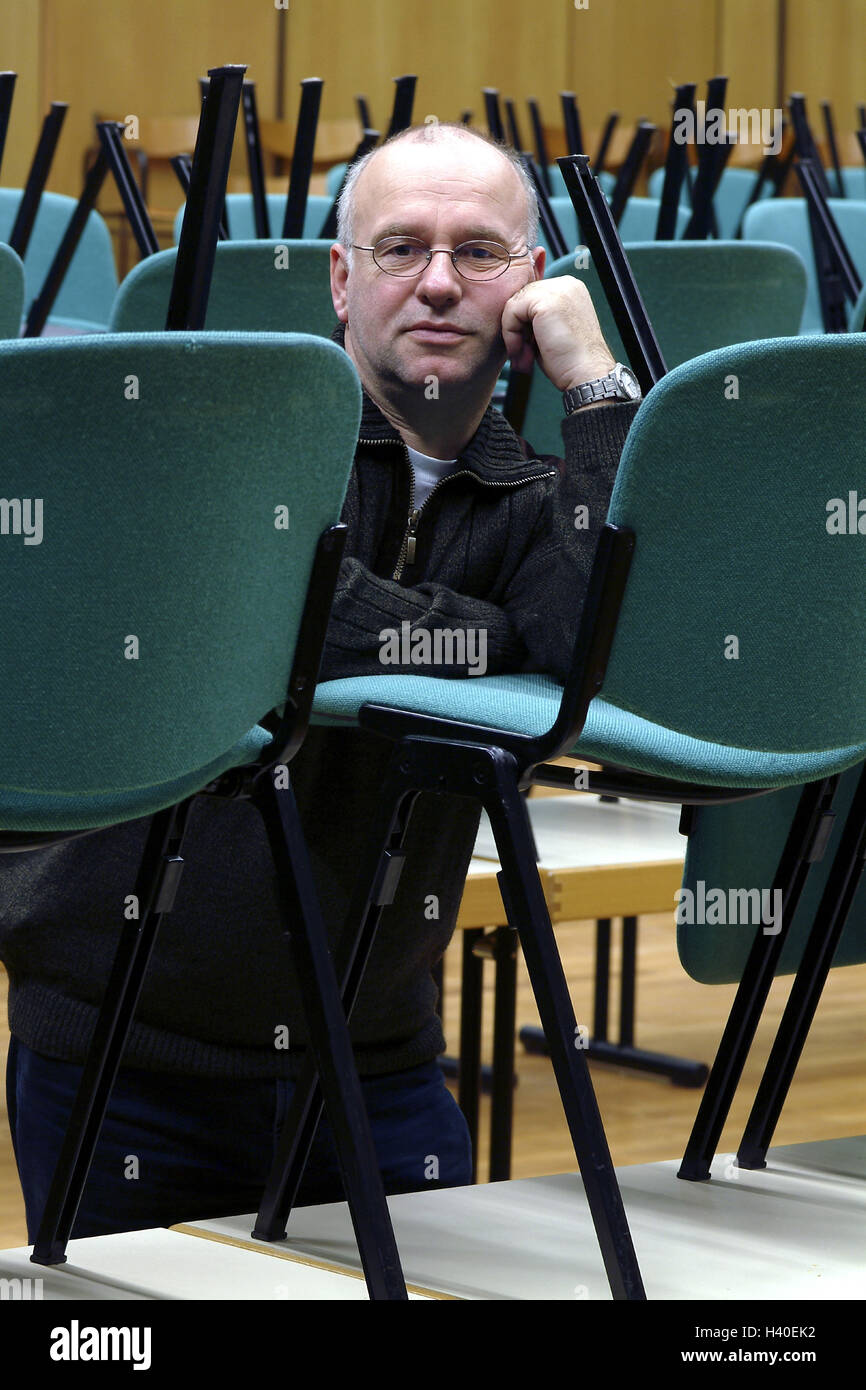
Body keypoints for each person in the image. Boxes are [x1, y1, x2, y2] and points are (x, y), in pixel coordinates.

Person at [0, 122, 641, 1238]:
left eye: (479, 253)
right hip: (130, 1049)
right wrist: (498, 634)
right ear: (341, 283)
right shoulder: (235, 438)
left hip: (378, 1054)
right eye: (399, 249)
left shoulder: (538, 490)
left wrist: (594, 381)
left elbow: (594, 642)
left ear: (532, 286)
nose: (438, 282)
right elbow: (305, 617)